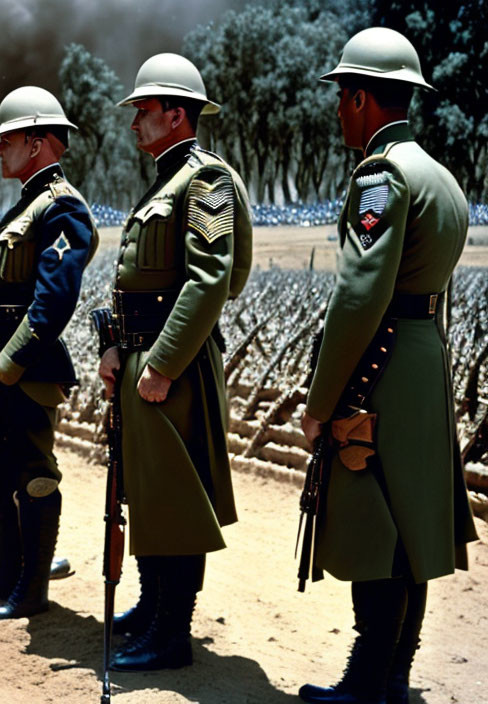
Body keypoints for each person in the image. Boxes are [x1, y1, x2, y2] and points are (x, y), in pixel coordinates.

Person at [298, 27, 478, 704]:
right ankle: (394, 677)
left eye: (342, 97)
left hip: (381, 361)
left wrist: (320, 406)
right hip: (424, 359)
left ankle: (367, 680)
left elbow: (358, 296)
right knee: (411, 521)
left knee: (374, 516)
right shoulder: (442, 178)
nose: (338, 111)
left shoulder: (382, 175)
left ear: (363, 99)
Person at [97, 53, 252, 671]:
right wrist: (115, 346)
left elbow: (212, 278)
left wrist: (160, 363)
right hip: (145, 356)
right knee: (150, 491)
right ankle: (153, 604)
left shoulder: (205, 180)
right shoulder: (168, 178)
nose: (134, 121)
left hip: (174, 364)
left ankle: (171, 633)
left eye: (144, 110)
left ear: (178, 114)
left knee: (177, 500)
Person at [0, 86, 98, 620]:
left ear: (36, 142)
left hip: (28, 368)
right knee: (3, 467)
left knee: (34, 472)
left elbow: (52, 299)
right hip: (1, 364)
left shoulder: (61, 208)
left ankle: (31, 589)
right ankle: (5, 572)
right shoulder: (28, 206)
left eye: (6, 141)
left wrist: (8, 365)